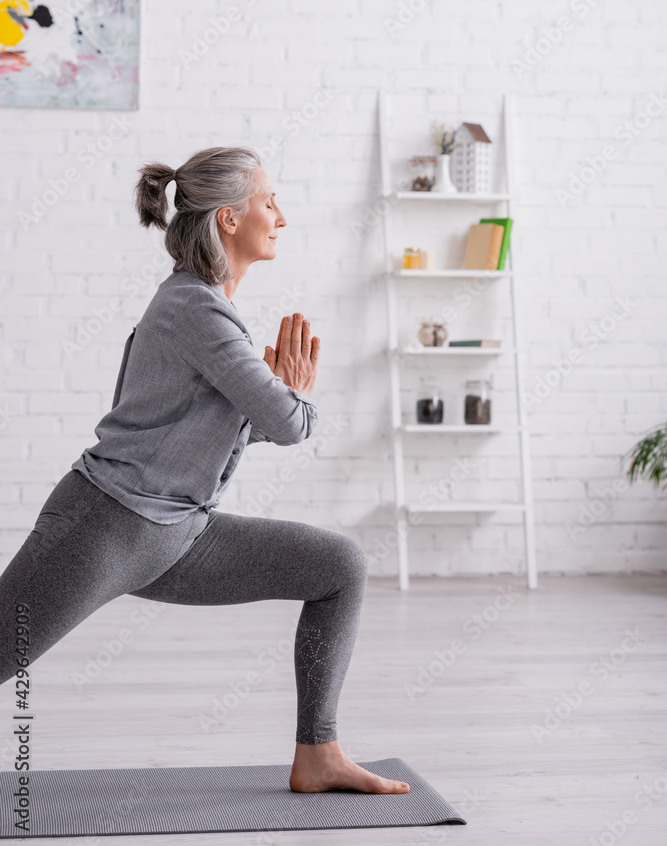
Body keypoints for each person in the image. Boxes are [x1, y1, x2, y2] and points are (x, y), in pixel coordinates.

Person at [0, 146, 410, 795]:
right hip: (104, 528)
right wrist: (294, 390)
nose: (281, 215)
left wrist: (276, 395)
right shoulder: (195, 309)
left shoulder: (202, 309)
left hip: (179, 535)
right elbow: (289, 424)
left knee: (338, 566)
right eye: (268, 201)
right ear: (227, 218)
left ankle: (318, 753)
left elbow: (215, 421)